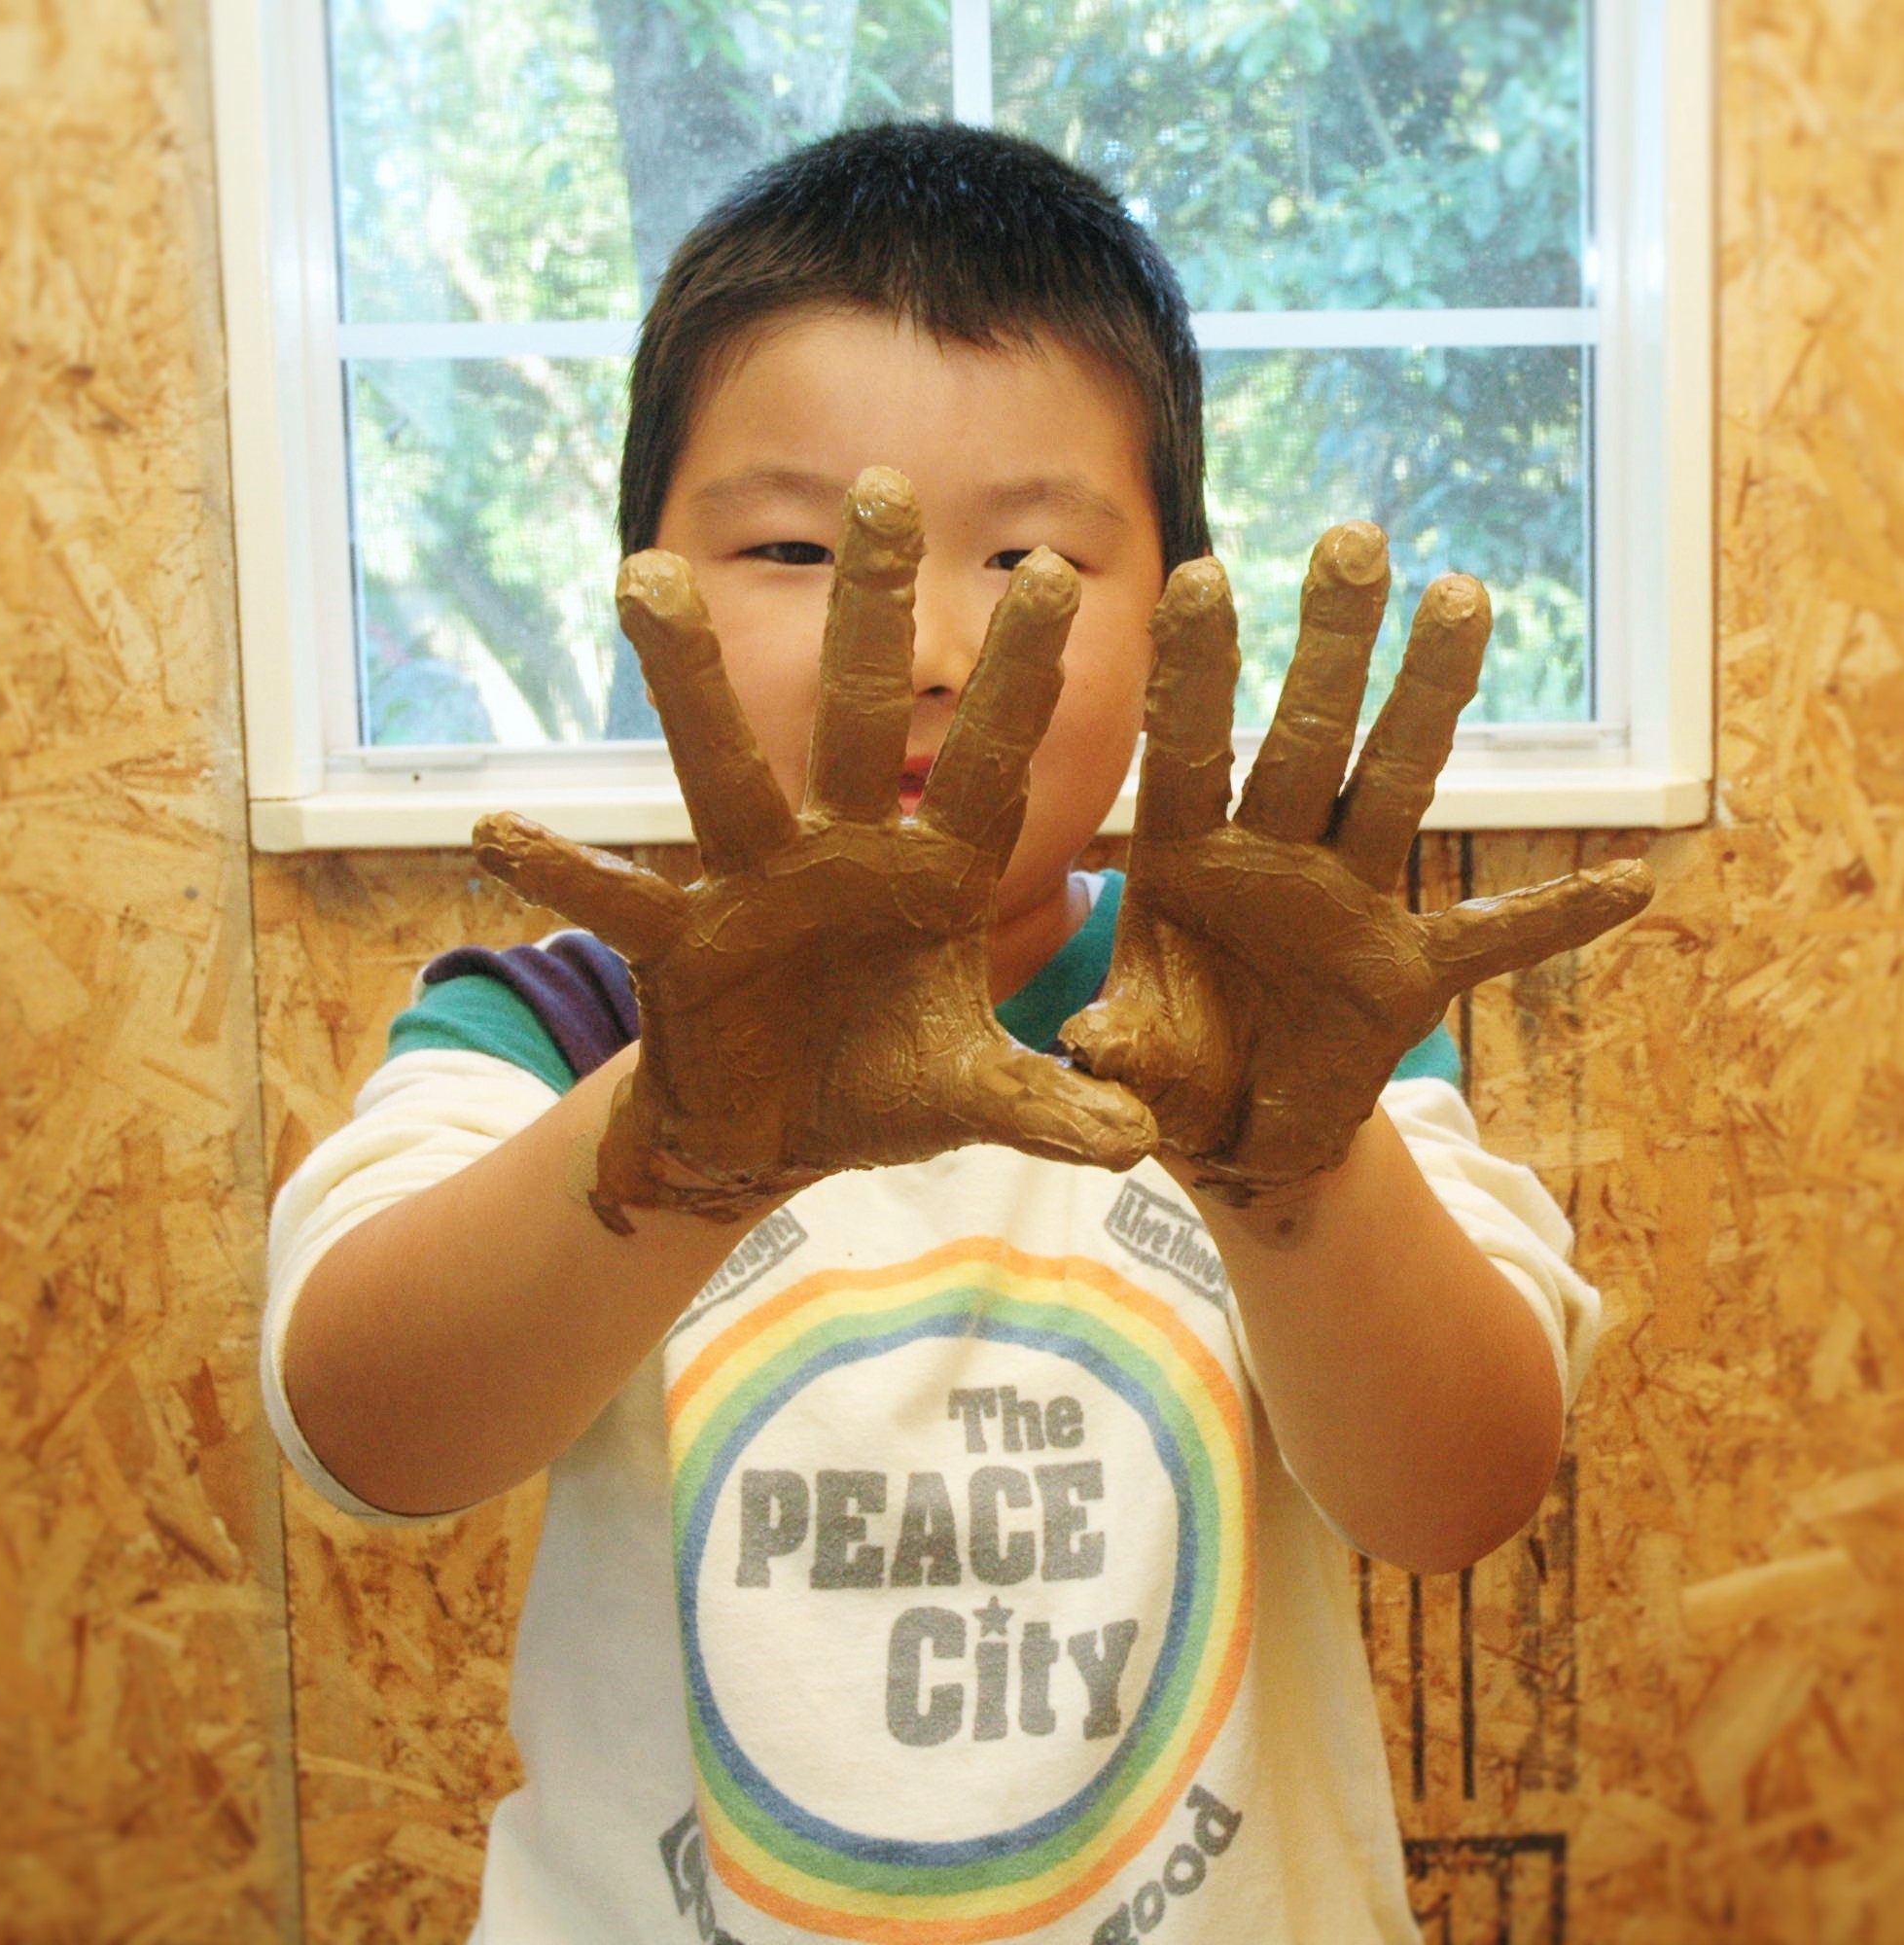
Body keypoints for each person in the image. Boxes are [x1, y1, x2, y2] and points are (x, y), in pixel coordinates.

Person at [264, 122, 1647, 1945]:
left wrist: (1297, 1173)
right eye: (789, 544)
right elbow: (367, 1428)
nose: (918, 641)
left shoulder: (1287, 1054)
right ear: (643, 603)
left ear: (1175, 630)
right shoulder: (559, 1027)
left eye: (1032, 567)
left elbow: (1457, 1495)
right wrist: (676, 1139)